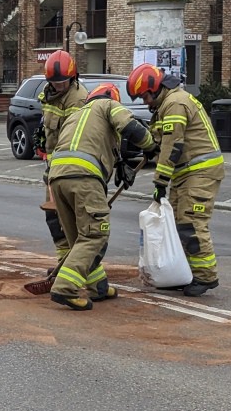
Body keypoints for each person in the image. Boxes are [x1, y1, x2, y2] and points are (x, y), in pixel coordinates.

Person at [47, 82, 157, 310]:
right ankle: (64, 287)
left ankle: (98, 286)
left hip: (57, 178)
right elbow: (131, 127)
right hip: (83, 178)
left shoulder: (77, 116)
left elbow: (101, 147)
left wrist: (121, 165)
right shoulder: (107, 105)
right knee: (94, 235)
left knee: (79, 237)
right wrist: (150, 145)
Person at [127, 63, 225, 297]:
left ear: (154, 88)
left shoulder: (175, 103)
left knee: (191, 221)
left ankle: (205, 276)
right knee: (180, 222)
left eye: (144, 96)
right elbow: (162, 141)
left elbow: (173, 146)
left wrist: (160, 181)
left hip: (200, 171)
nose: (144, 102)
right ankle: (187, 272)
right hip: (186, 172)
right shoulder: (165, 105)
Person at [37, 50, 90, 273]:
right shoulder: (48, 93)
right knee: (53, 215)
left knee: (71, 217)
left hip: (70, 166)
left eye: (63, 82)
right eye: (54, 82)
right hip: (53, 164)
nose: (59, 86)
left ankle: (74, 262)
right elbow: (48, 120)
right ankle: (62, 260)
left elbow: (74, 135)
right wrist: (41, 133)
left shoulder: (77, 99)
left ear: (72, 77)